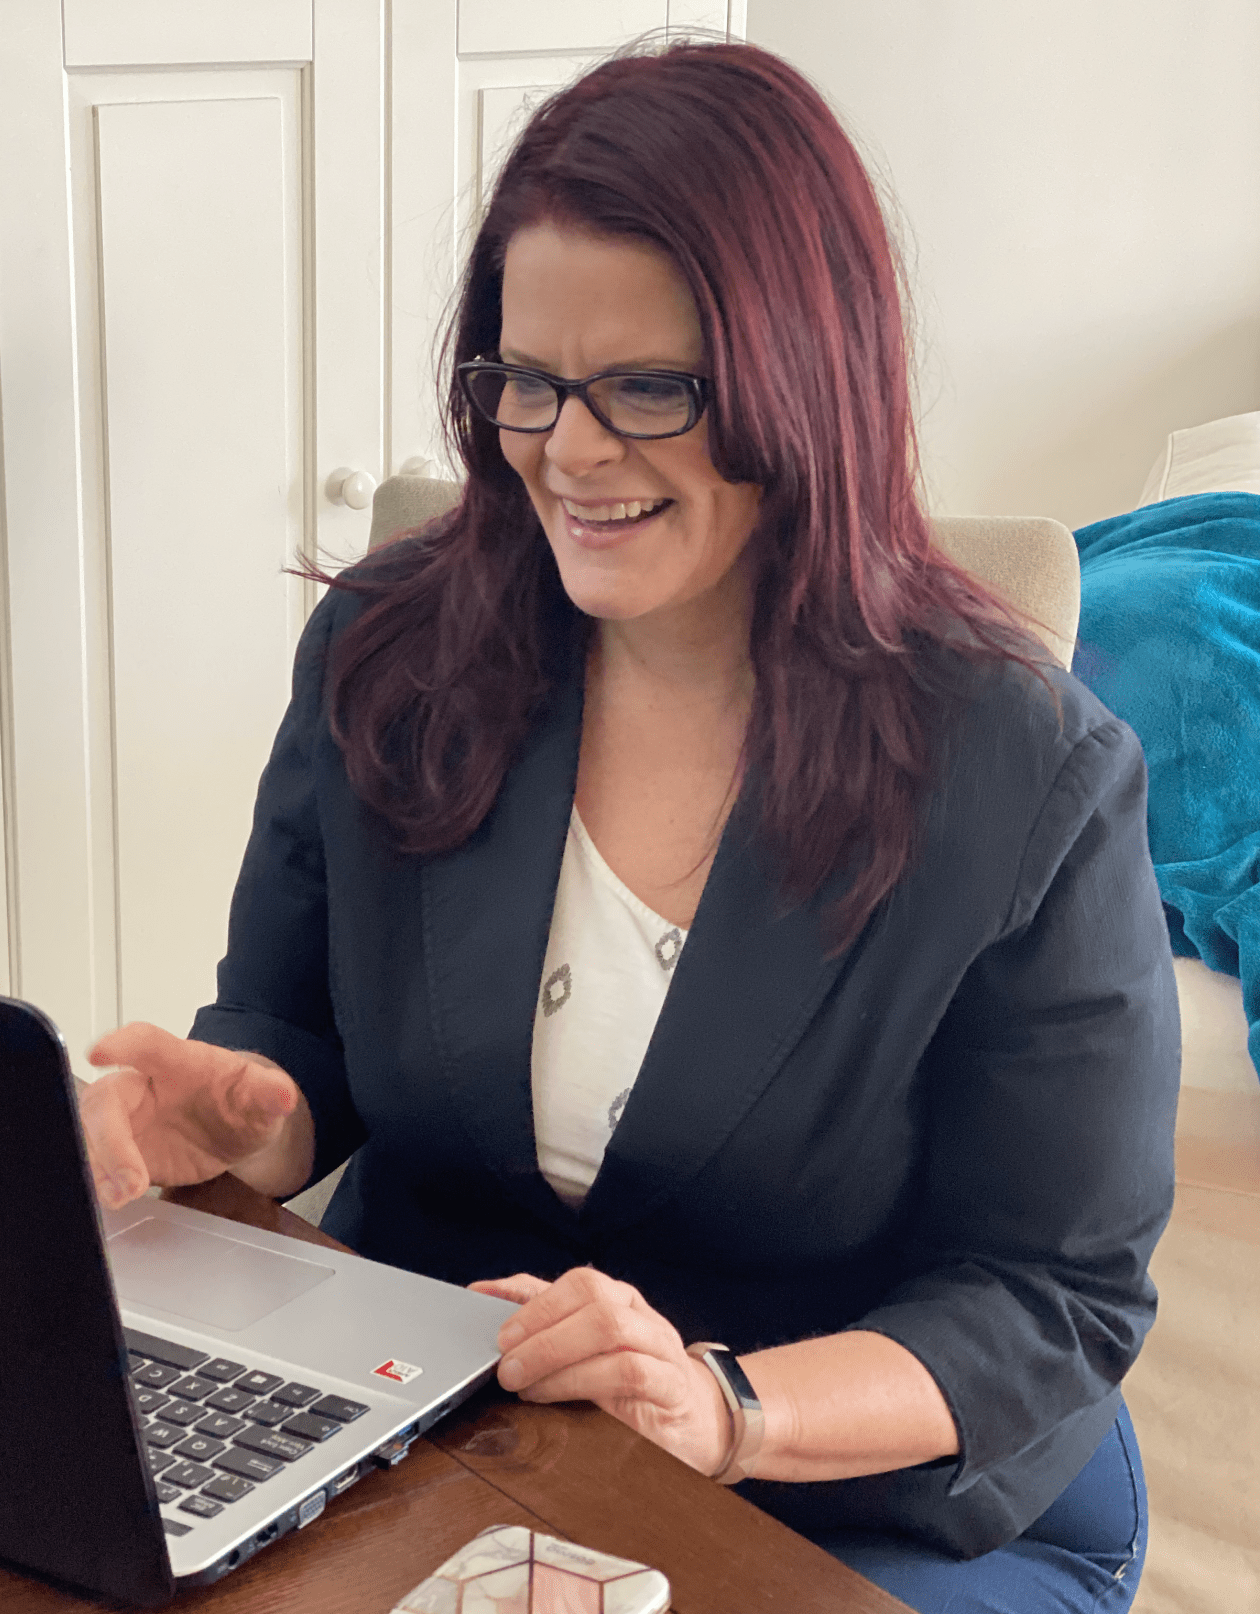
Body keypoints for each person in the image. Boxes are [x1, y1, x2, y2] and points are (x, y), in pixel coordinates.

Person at [80, 40, 1179, 1614]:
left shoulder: (1025, 771)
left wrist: (727, 1405)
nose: (570, 451)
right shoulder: (396, 647)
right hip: (457, 1414)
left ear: (804, 384)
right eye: (528, 380)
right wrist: (246, 1119)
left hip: (853, 1472)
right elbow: (293, 1031)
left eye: (647, 387)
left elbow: (1050, 1297)